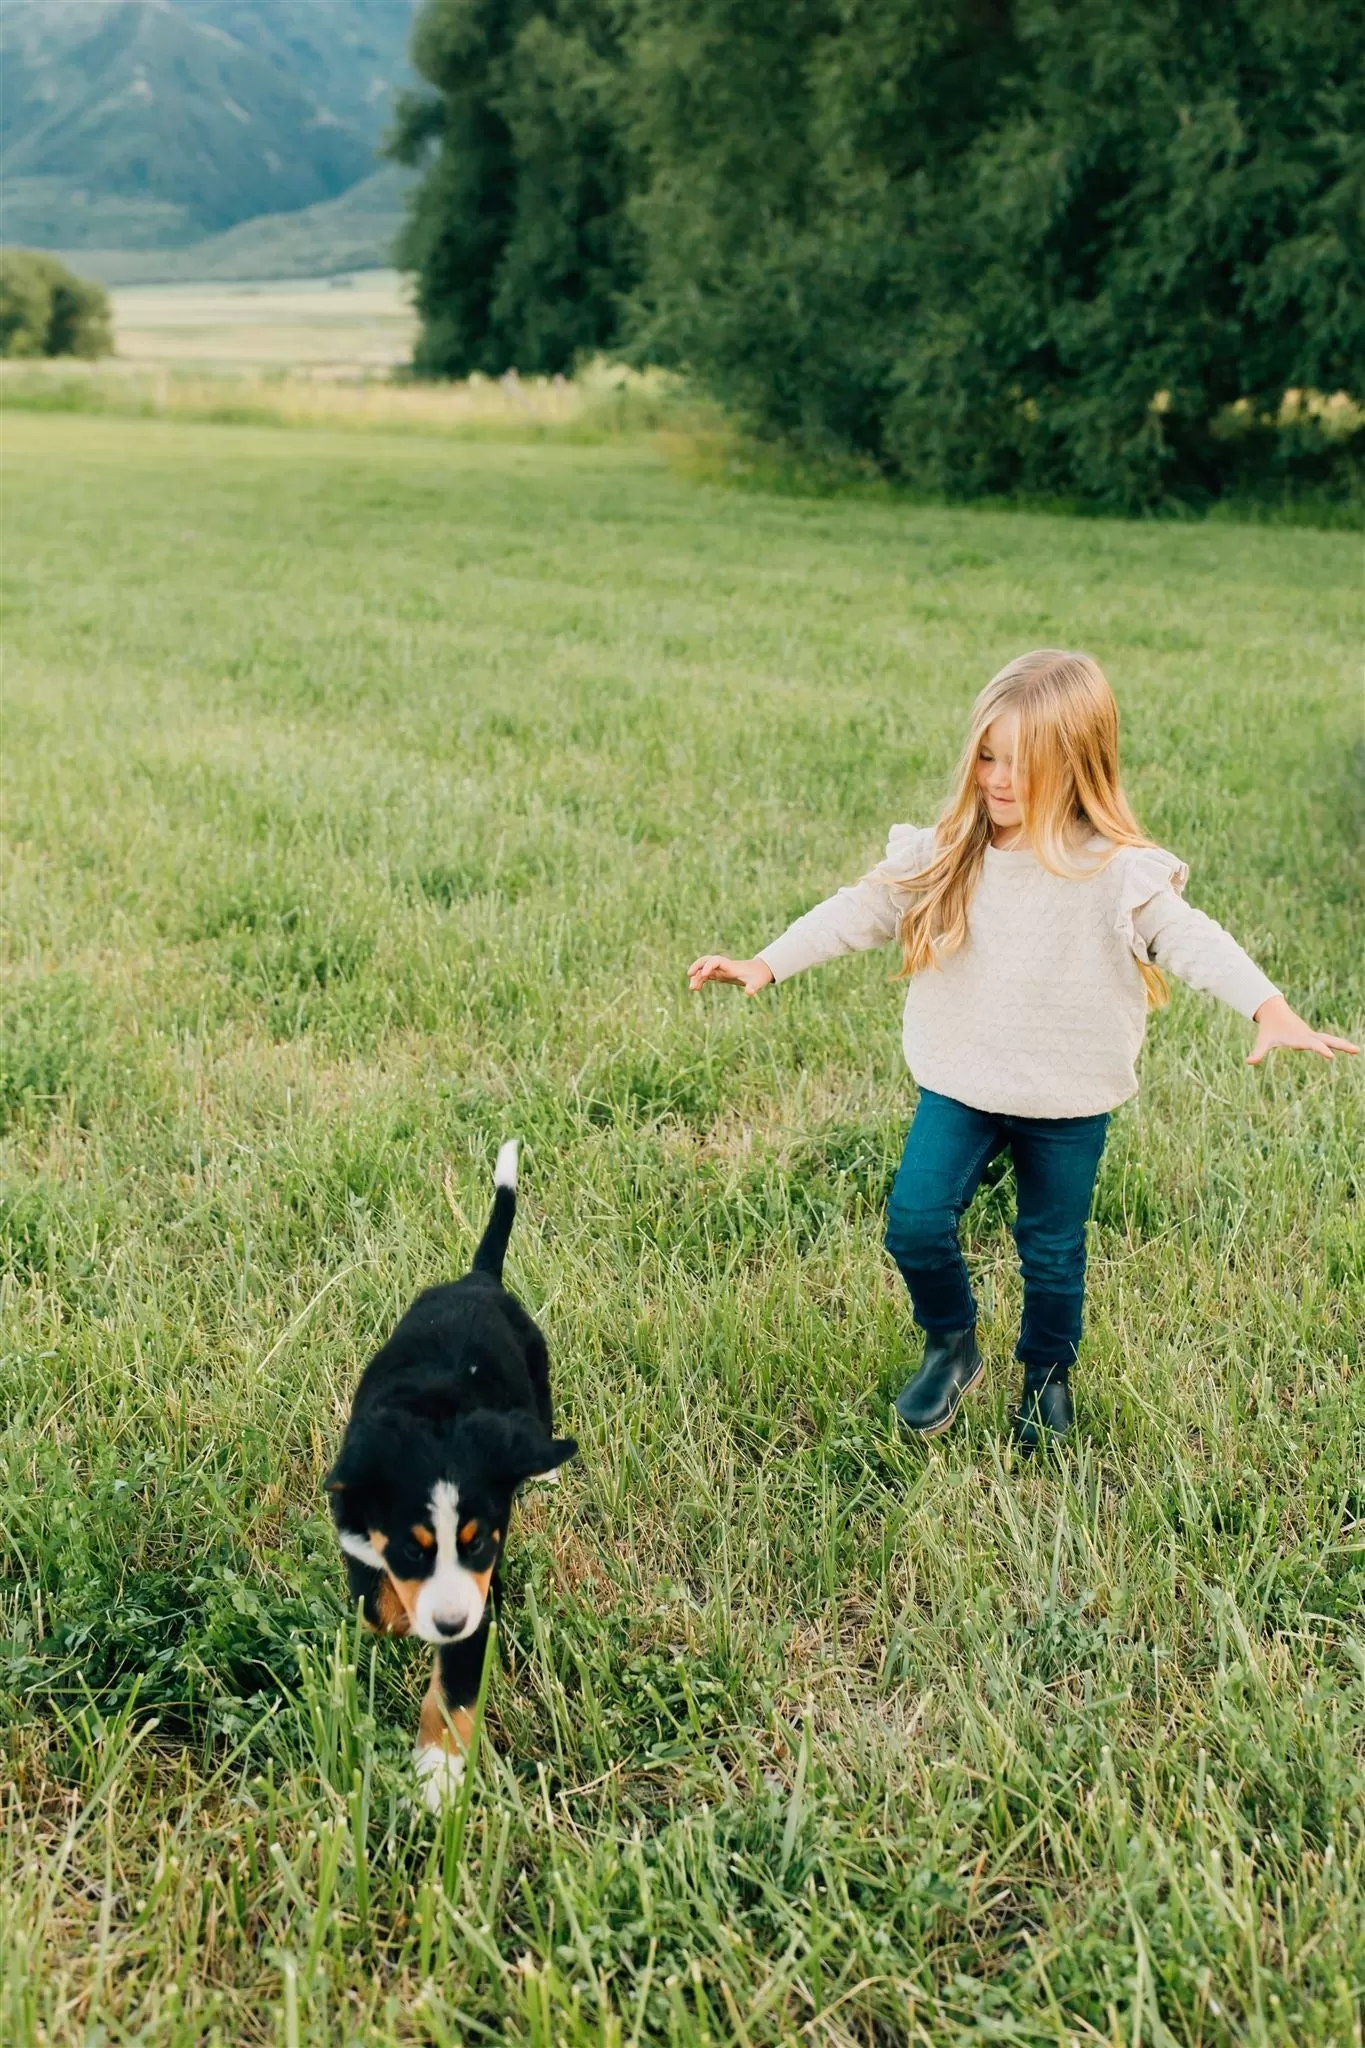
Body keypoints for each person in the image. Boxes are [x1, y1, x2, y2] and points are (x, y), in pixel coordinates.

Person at [688, 650, 1357, 1451]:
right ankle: (951, 1343)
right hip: (960, 1079)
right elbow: (858, 910)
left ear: (1078, 765)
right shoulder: (950, 850)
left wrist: (1268, 1006)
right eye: (986, 755)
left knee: (1050, 1251)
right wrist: (765, 962)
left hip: (1067, 1097)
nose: (998, 780)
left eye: (1024, 764)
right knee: (914, 1223)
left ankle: (1045, 1376)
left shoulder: (1115, 875)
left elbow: (1192, 940)